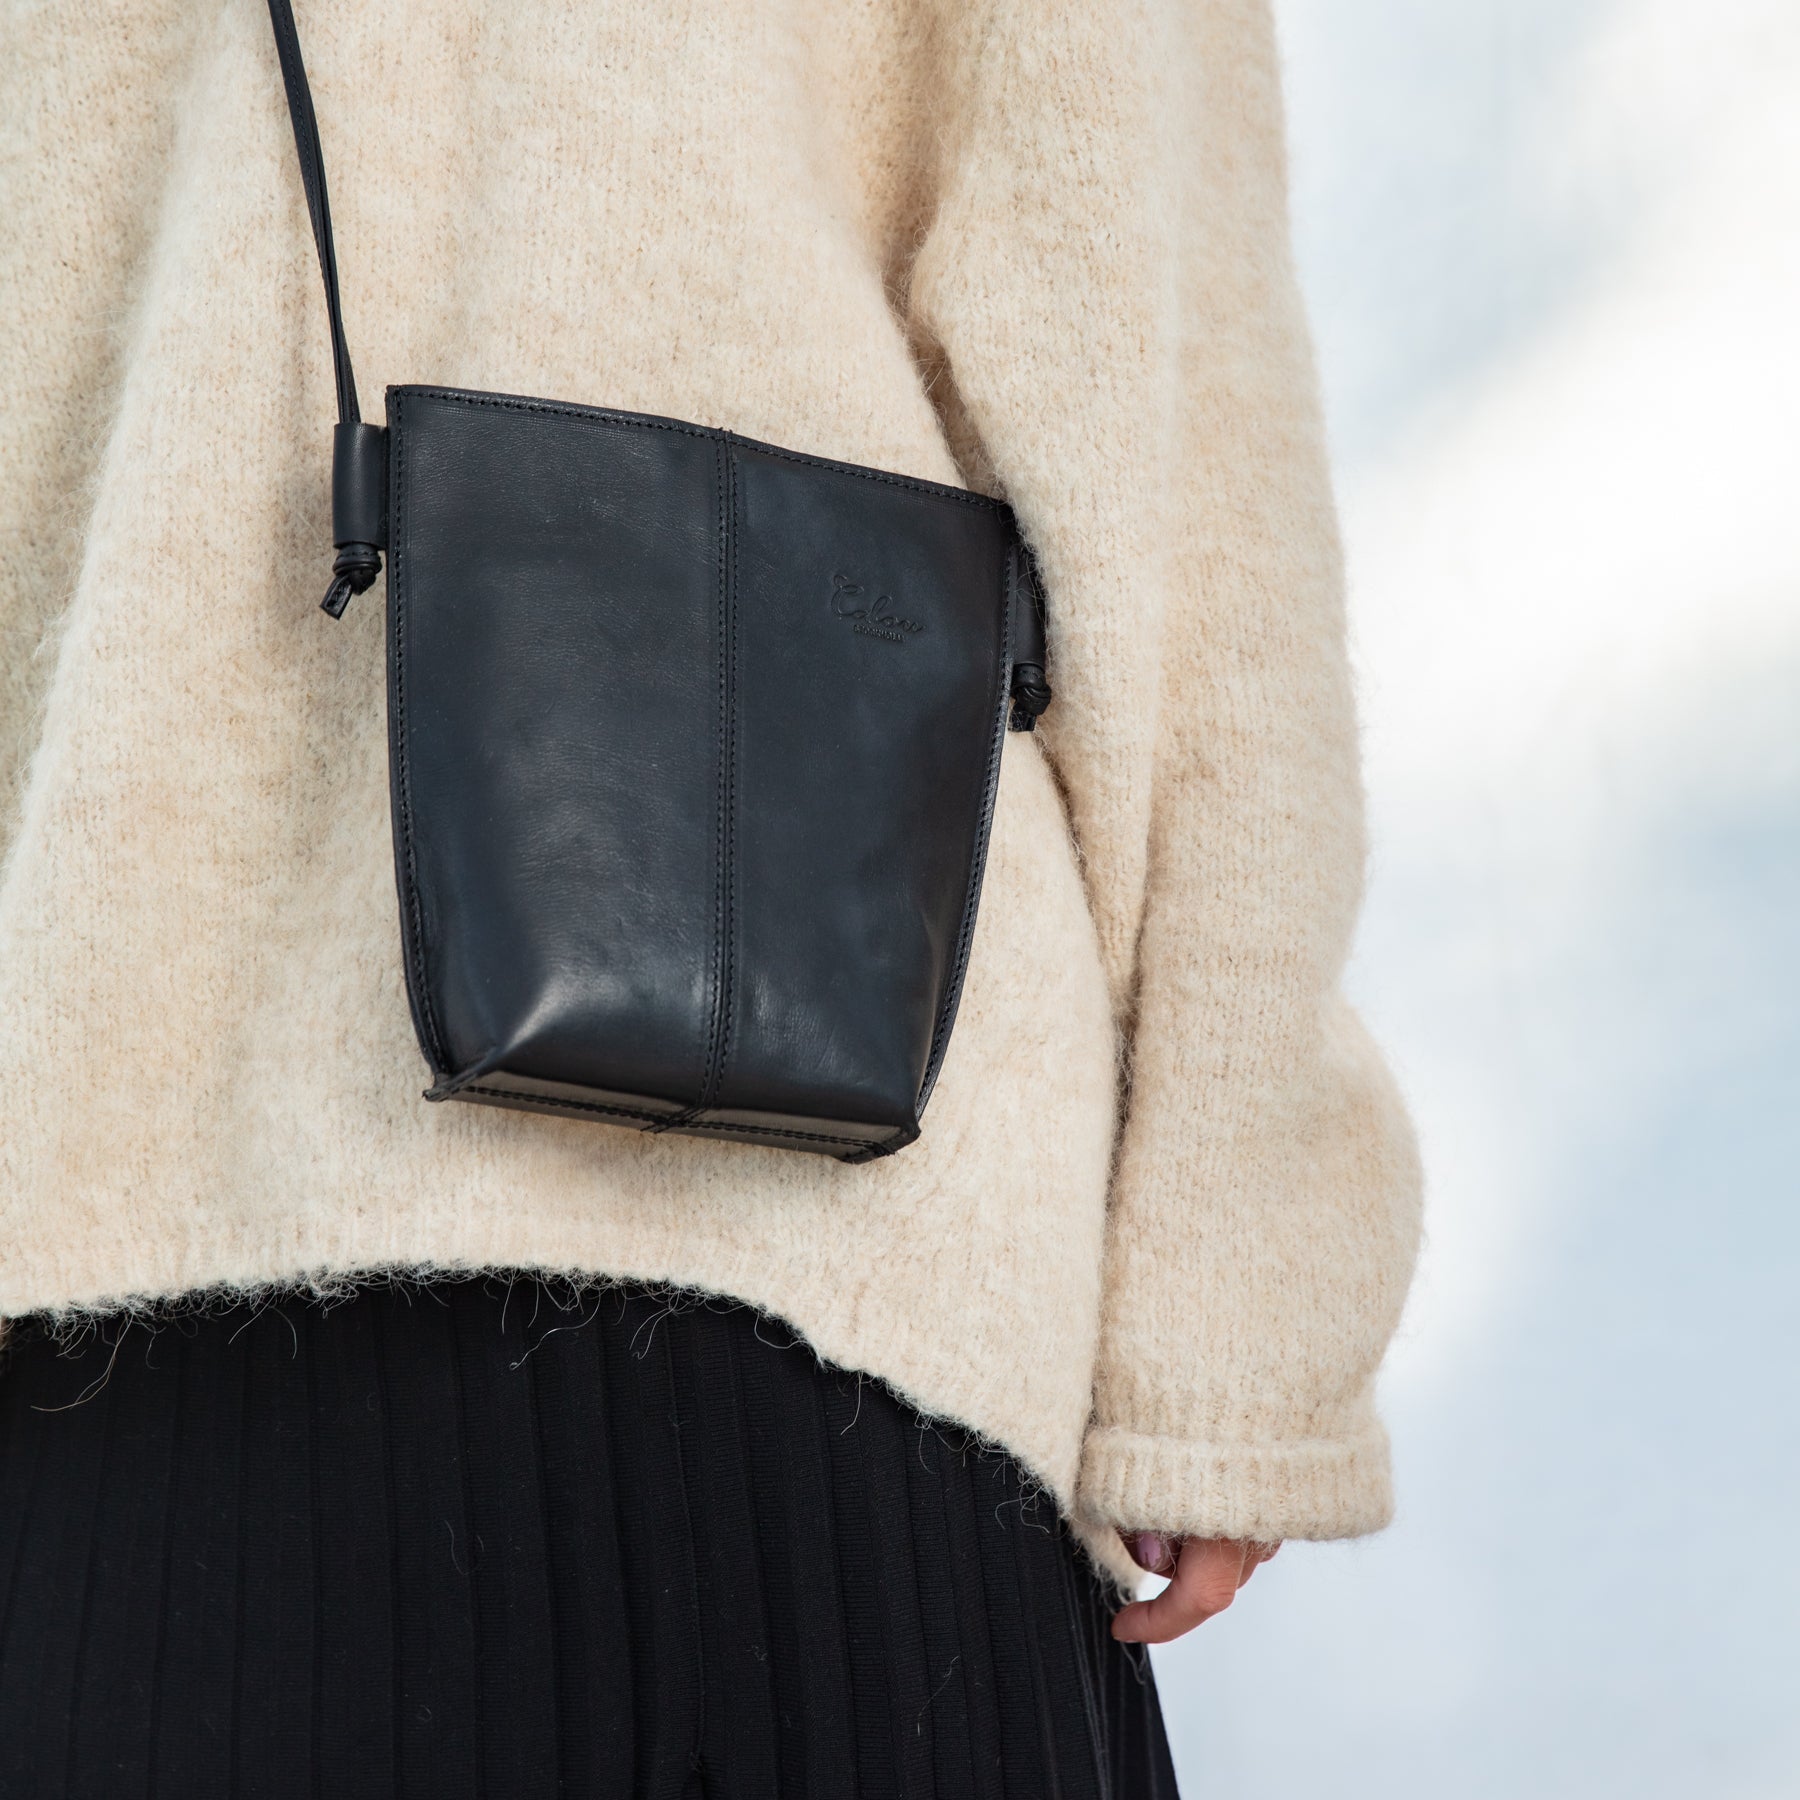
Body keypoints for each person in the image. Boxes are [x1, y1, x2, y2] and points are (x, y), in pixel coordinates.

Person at [0, 0, 1423, 1792]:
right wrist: (1233, 1311)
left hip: (705, 1287)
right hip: (782, 1301)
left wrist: (1234, 1292)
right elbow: (1172, 420)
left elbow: (1175, 434)